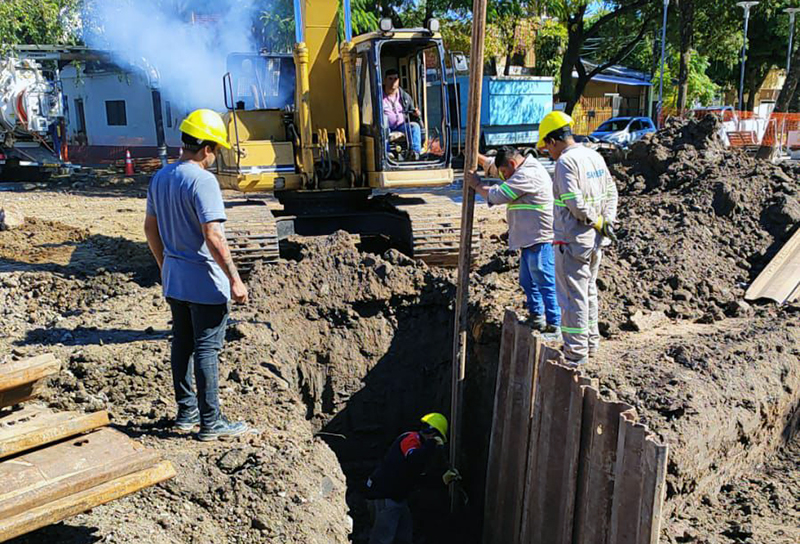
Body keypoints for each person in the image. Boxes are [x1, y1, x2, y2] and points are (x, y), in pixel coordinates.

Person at [144, 108, 250, 441]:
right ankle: (211, 421)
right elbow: (213, 235)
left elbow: (150, 228)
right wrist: (234, 278)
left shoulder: (161, 176)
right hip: (204, 280)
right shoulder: (203, 180)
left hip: (175, 278)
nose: (215, 156)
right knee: (206, 348)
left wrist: (165, 265)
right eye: (215, 149)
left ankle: (186, 414)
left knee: (182, 343)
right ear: (206, 148)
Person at [537, 111, 618, 365]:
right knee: (588, 292)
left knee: (573, 298)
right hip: (595, 240)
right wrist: (606, 221)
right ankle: (591, 343)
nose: (548, 153)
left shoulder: (565, 162)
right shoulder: (594, 156)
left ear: (553, 141)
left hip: (573, 239)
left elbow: (575, 203)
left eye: (546, 147)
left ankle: (575, 353)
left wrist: (595, 219)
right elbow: (611, 191)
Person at [465, 146, 561, 334]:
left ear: (512, 163)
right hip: (528, 239)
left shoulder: (528, 175)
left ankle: (555, 324)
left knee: (544, 280)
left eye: (505, 173)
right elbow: (494, 166)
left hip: (540, 237)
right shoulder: (517, 168)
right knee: (528, 281)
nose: (504, 177)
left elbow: (498, 195)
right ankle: (537, 317)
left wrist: (476, 185)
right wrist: (473, 155)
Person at [365, 413, 460, 544]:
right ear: (433, 434)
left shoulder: (421, 449)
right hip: (385, 496)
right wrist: (432, 444)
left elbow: (416, 479)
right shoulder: (410, 439)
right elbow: (413, 459)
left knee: (404, 536)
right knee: (382, 539)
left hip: (398, 498)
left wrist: (442, 480)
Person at [382, 68, 422, 158]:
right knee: (384, 123)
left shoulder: (404, 96)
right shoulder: (379, 96)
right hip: (386, 128)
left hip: (401, 126)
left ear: (399, 80)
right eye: (390, 79)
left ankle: (415, 153)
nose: (393, 82)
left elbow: (411, 110)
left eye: (395, 79)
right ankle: (387, 153)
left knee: (414, 127)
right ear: (385, 80)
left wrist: (416, 114)